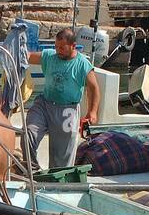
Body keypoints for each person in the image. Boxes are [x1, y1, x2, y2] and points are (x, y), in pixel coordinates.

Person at [26, 28, 100, 170]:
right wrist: (14, 50)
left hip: (67, 110)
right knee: (29, 133)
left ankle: (58, 178)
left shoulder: (82, 64)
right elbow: (27, 57)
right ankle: (31, 169)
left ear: (73, 46)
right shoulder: (49, 56)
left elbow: (94, 88)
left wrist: (93, 112)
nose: (58, 50)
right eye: (56, 47)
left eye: (62, 47)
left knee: (62, 156)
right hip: (44, 104)